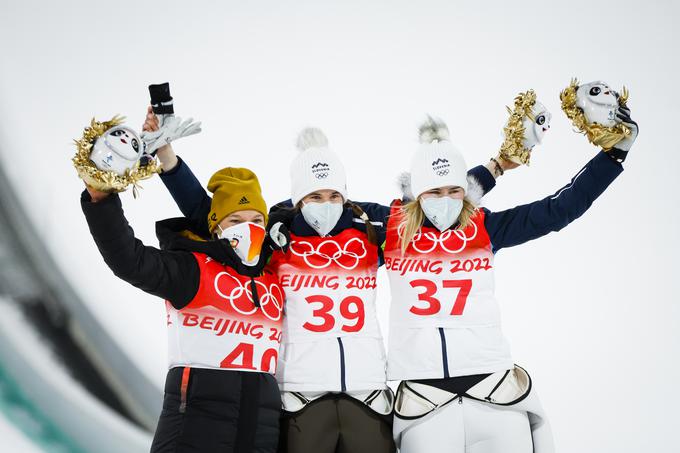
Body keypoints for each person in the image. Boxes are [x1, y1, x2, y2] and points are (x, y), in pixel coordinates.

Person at [145, 107, 517, 451]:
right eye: (314, 196)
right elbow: (212, 215)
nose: (325, 203)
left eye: (334, 194)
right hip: (302, 398)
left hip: (366, 394)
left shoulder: (367, 238)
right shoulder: (279, 238)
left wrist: (494, 168)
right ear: (298, 200)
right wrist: (168, 159)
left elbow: (431, 204)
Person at [385, 109, 637, 453]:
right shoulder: (390, 230)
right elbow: (317, 209)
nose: (445, 200)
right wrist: (496, 165)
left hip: (495, 394)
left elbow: (558, 210)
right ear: (415, 194)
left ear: (466, 192)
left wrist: (613, 156)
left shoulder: (485, 228)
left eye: (454, 190)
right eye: (433, 192)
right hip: (426, 405)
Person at [80, 163, 287, 452]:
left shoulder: (277, 278)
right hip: (195, 426)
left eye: (256, 220)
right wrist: (101, 200)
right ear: (215, 228)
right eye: (235, 220)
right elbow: (129, 260)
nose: (248, 229)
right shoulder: (193, 270)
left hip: (259, 434)